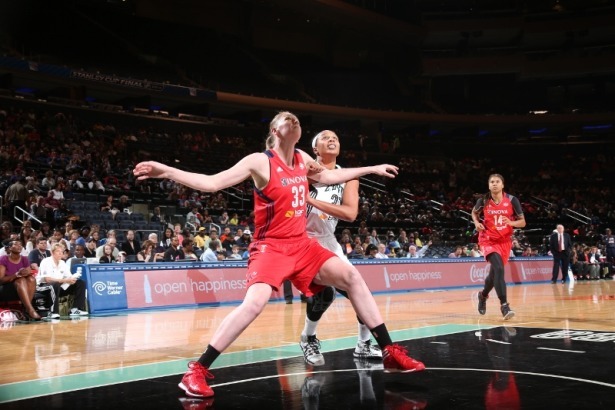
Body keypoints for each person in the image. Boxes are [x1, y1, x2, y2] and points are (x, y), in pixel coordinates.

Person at [133, 111, 424, 399]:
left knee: (351, 277)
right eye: (287, 119)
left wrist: (370, 168)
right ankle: (196, 370)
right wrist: (167, 170)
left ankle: (389, 352)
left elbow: (332, 176)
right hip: (271, 246)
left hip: (302, 244)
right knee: (254, 304)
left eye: (297, 119)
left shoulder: (301, 158)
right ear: (275, 130)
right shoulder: (260, 161)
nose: (294, 120)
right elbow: (212, 183)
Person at [298, 130, 382, 368]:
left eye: (335, 136)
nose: (332, 139)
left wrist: (311, 200)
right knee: (324, 294)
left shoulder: (347, 176)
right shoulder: (302, 172)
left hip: (328, 240)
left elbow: (350, 213)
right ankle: (308, 337)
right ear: (315, 149)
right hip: (301, 239)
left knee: (361, 293)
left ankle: (363, 345)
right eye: (325, 137)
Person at [473, 174, 526, 320]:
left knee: (493, 275)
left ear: (503, 185)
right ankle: (504, 306)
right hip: (488, 240)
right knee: (499, 269)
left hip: (504, 242)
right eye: (492, 182)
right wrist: (477, 223)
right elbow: (474, 213)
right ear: (489, 185)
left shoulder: (512, 200)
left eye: (497, 182)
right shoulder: (483, 200)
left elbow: (523, 222)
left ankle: (483, 296)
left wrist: (511, 223)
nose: (494, 184)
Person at [38, 243, 88, 318]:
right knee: (55, 284)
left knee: (80, 283)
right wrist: (65, 280)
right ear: (52, 252)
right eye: (58, 251)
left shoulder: (63, 263)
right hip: (44, 287)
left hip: (59, 287)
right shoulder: (46, 261)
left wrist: (72, 280)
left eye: (62, 252)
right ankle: (53, 312)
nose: (60, 253)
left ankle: (76, 309)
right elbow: (47, 279)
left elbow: (69, 277)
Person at [0, 240, 41, 320]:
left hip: (22, 289)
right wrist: (16, 275)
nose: (19, 246)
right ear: (10, 248)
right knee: (20, 280)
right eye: (16, 244)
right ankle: (30, 309)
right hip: (5, 289)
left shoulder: (24, 259)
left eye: (20, 244)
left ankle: (26, 309)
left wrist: (26, 273)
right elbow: (1, 280)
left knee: (31, 279)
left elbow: (28, 274)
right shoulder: (3, 259)